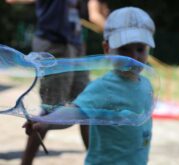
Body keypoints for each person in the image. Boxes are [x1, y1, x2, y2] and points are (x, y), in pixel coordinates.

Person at [24, 7, 156, 164]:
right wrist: (47, 122)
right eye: (124, 49)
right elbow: (74, 112)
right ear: (107, 49)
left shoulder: (146, 84)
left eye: (140, 49)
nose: (133, 57)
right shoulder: (103, 87)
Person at [5, 0, 108, 165]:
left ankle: (96, 161)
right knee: (50, 109)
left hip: (75, 45)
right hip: (54, 46)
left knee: (86, 105)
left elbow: (94, 12)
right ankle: (25, 163)